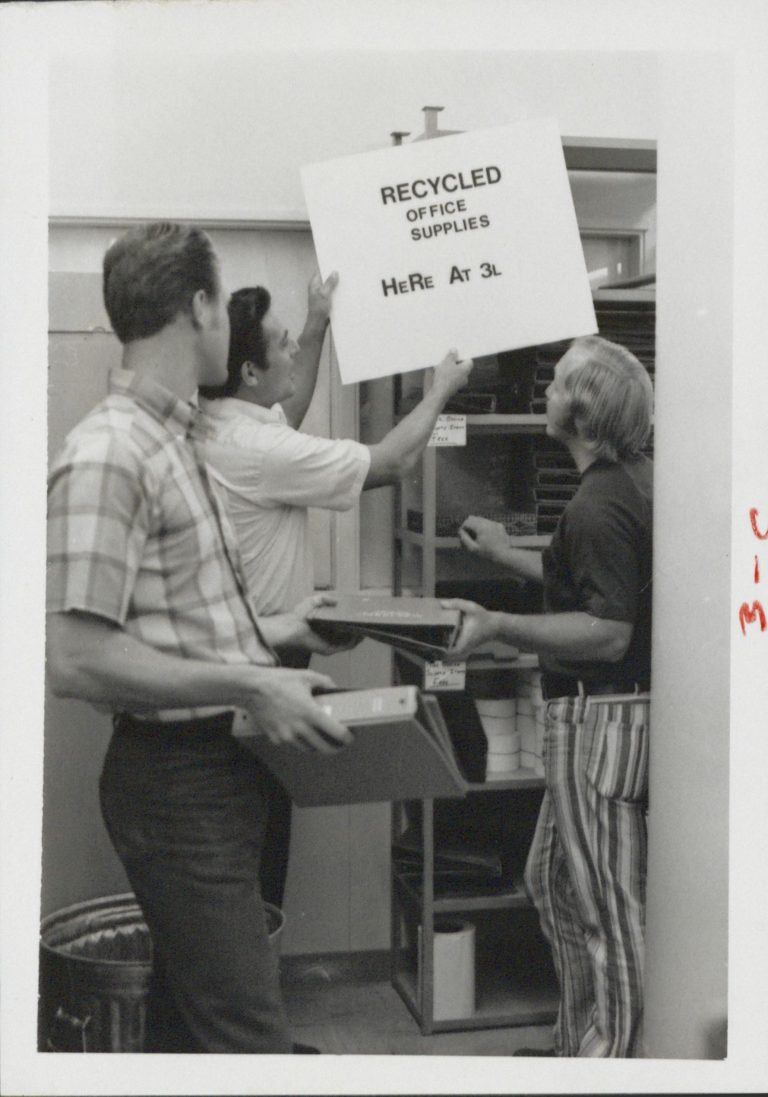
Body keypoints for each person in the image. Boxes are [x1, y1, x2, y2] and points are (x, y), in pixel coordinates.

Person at [45, 221, 357, 1054]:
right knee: (249, 1034)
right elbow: (74, 657)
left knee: (192, 1028)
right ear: (197, 308)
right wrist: (250, 683)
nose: (231, 319)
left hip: (220, 767)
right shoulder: (112, 450)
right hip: (179, 782)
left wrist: (277, 632)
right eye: (224, 301)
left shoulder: (175, 438)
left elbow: (176, 616)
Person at [198, 276, 473, 907]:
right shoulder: (260, 448)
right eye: (284, 342)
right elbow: (395, 461)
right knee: (257, 853)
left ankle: (237, 990)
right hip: (262, 666)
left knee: (241, 850)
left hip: (226, 666)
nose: (293, 347)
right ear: (247, 370)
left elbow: (280, 425)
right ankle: (247, 995)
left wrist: (317, 320)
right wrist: (439, 392)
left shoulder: (218, 425)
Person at [444, 334, 653, 1058]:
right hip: (604, 719)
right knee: (555, 884)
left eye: (558, 382)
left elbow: (606, 630)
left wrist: (500, 622)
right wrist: (505, 550)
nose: (545, 392)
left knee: (610, 913)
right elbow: (585, 574)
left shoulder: (598, 506)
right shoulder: (629, 482)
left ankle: (615, 1057)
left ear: (585, 410)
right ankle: (580, 1044)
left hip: (600, 722)